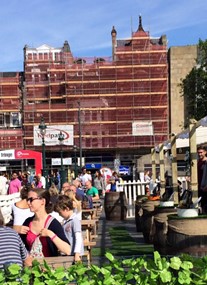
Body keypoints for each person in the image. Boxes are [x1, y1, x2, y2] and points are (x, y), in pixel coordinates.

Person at [21, 188, 71, 257]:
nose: (28, 203)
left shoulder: (53, 224)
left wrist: (50, 234)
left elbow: (68, 250)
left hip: (50, 265)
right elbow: (19, 246)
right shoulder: (27, 222)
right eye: (28, 200)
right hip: (32, 266)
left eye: (31, 199)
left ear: (43, 201)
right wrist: (16, 230)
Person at [55, 195, 84, 263]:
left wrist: (77, 254)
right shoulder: (66, 221)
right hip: (68, 253)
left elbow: (78, 238)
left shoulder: (74, 221)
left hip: (74, 254)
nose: (59, 215)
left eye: (60, 212)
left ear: (67, 209)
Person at [197, 145, 207, 213]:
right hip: (200, 186)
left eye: (201, 152)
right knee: (202, 204)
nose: (199, 154)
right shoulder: (198, 162)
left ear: (205, 152)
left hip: (205, 187)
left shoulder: (206, 162)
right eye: (198, 152)